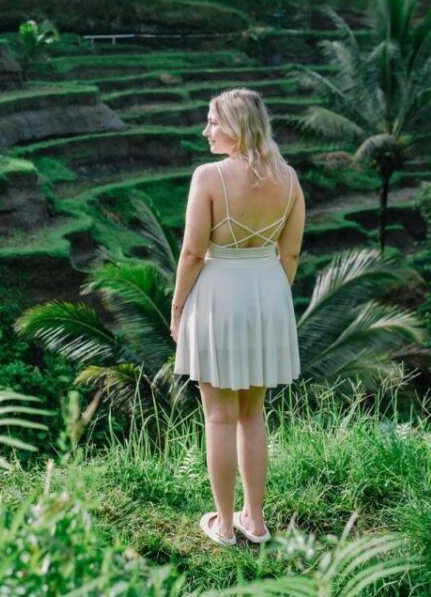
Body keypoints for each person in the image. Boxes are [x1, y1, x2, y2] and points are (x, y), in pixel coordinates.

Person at [170, 88, 304, 546]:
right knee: (253, 413)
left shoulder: (208, 176)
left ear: (237, 126)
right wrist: (268, 301)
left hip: (219, 293)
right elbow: (290, 253)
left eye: (214, 121)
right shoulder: (288, 178)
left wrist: (178, 306)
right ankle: (257, 521)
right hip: (267, 291)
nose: (207, 130)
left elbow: (192, 251)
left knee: (219, 417)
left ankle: (225, 526)